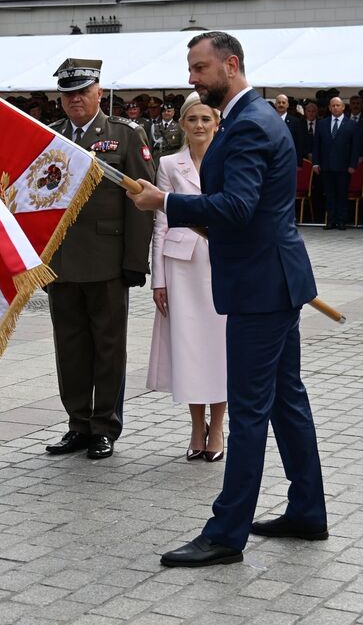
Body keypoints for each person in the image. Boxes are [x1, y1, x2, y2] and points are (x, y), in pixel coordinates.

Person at [128, 31, 327, 568]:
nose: (192, 78)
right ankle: (307, 509)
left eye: (200, 68)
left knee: (249, 408)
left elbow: (237, 207)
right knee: (287, 400)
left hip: (262, 289)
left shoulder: (245, 125)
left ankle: (225, 533)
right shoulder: (256, 117)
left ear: (230, 65)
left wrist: (164, 199)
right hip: (275, 279)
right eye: (191, 68)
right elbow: (255, 209)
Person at [43, 58, 154, 461]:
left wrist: (135, 261)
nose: (76, 99)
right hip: (62, 262)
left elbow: (142, 201)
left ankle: (105, 425)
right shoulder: (50, 137)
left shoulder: (125, 135)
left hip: (107, 261)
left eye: (83, 91)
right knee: (69, 347)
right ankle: (78, 423)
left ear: (99, 92)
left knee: (108, 348)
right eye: (68, 93)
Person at [146, 92, 227, 463]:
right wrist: (158, 278)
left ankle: (219, 425)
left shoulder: (227, 160)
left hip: (221, 263)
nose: (199, 126)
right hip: (180, 266)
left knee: (219, 347)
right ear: (182, 123)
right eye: (192, 119)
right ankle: (197, 426)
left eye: (205, 119)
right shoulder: (169, 163)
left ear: (216, 122)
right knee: (189, 346)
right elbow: (160, 222)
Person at [313, 96, 359, 230]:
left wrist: (352, 164)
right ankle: (331, 220)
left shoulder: (351, 124)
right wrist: (315, 163)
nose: (335, 108)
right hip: (326, 165)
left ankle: (341, 220)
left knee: (342, 194)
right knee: (329, 194)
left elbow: (355, 147)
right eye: (333, 106)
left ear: (343, 107)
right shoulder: (322, 123)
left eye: (338, 105)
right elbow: (317, 145)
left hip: (344, 166)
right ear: (329, 108)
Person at [275, 94, 306, 164]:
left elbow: (299, 143)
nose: (281, 104)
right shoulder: (269, 120)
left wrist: (298, 162)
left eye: (283, 102)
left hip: (289, 160)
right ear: (275, 104)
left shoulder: (295, 122)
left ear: (287, 105)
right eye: (279, 102)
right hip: (273, 160)